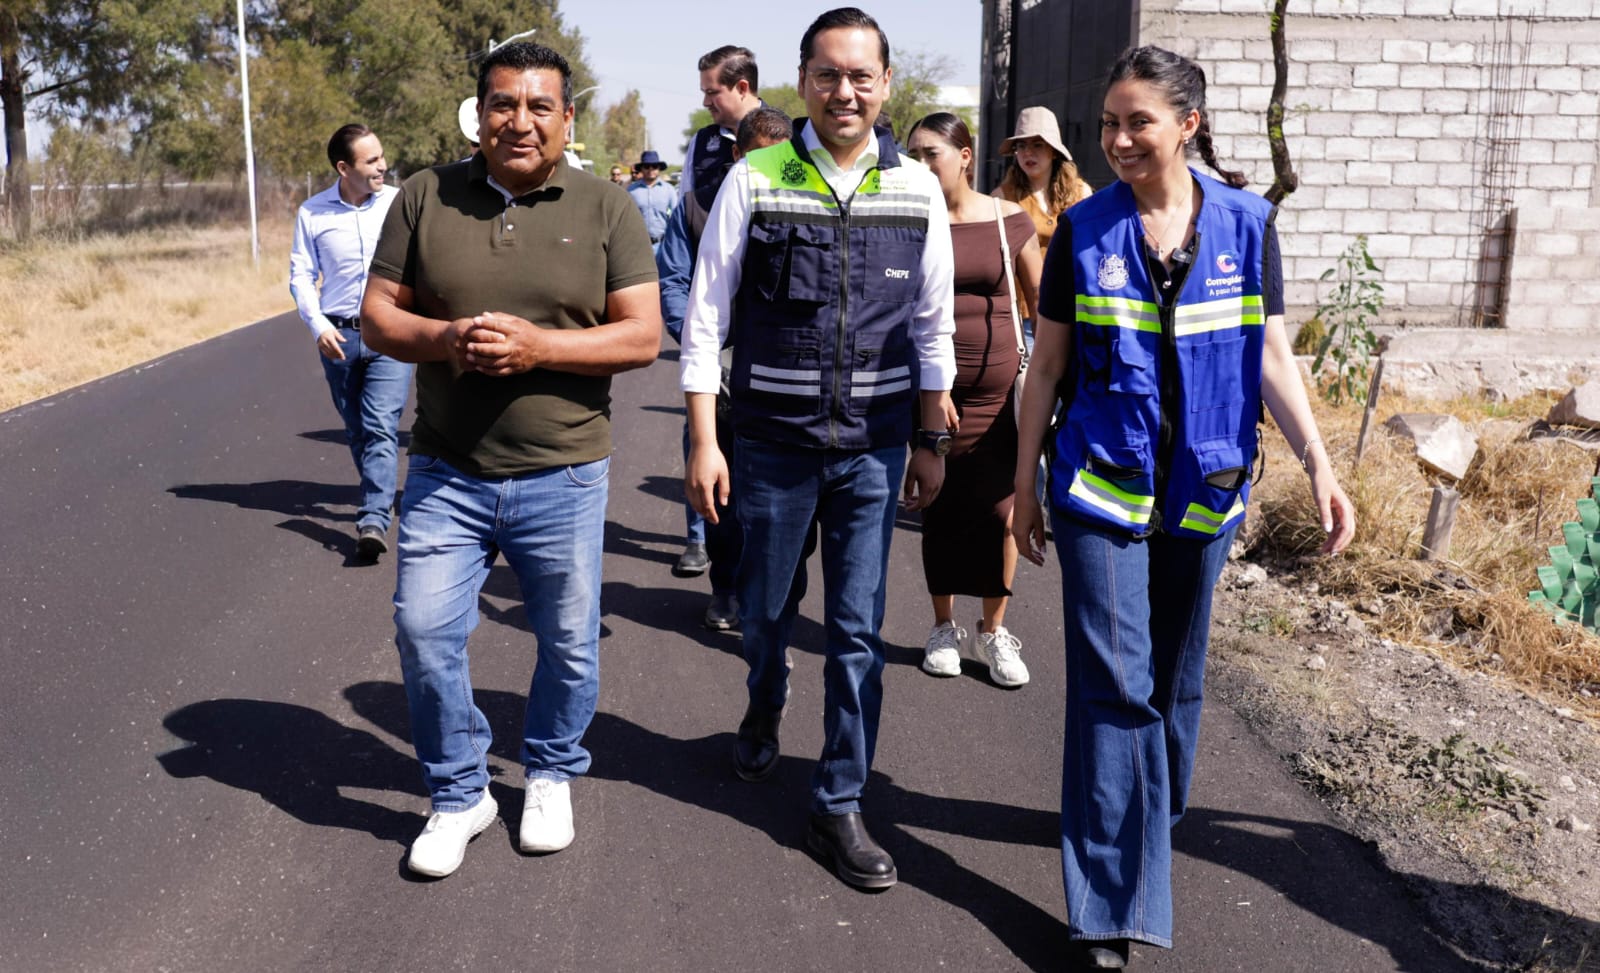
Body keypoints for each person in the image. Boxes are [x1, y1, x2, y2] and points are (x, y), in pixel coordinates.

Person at [1011, 45, 1355, 967]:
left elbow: (1273, 357)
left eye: (1138, 122)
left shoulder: (1247, 225)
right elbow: (1044, 368)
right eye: (1109, 124)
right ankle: (1114, 905)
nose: (1118, 139)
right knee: (1114, 688)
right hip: (1097, 488)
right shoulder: (1082, 232)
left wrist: (1320, 464)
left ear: (1188, 124)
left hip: (1203, 491)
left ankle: (1142, 834)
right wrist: (1020, 488)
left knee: (1174, 683)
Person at [360, 41, 661, 880]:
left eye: (538, 107)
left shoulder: (607, 207)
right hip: (446, 472)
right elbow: (377, 317)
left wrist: (539, 349)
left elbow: (642, 335)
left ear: (567, 119)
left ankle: (553, 769)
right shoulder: (424, 196)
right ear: (478, 115)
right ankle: (460, 792)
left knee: (567, 641)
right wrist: (447, 338)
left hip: (563, 473)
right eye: (502, 104)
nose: (518, 121)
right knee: (423, 628)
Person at [681, 7, 955, 892]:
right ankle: (764, 697)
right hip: (769, 444)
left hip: (873, 450)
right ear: (805, 81)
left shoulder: (915, 190)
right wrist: (702, 438)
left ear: (885, 85)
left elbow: (932, 326)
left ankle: (839, 800)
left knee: (857, 631)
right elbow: (707, 314)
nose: (846, 91)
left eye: (862, 77)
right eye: (829, 75)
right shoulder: (755, 176)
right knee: (764, 609)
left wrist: (930, 437)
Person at [905, 112, 1042, 689]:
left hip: (1000, 399)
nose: (920, 164)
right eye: (911, 153)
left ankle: (992, 630)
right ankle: (943, 627)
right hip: (932, 396)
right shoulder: (908, 222)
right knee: (938, 507)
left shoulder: (1008, 220)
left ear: (966, 155)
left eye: (931, 152)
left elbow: (1047, 307)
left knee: (1001, 512)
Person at [660, 104, 793, 627]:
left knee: (776, 501)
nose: (765, 169)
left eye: (779, 159)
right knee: (720, 488)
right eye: (756, 157)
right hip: (718, 377)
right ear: (737, 154)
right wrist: (702, 342)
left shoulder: (806, 204)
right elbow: (673, 282)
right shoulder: (694, 208)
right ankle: (726, 586)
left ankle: (768, 596)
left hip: (782, 380)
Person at [662, 44, 764, 598]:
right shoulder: (702, 145)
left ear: (742, 88)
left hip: (769, 340)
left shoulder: (788, 141)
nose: (706, 102)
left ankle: (752, 570)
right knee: (700, 435)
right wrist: (693, 333)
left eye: (712, 92)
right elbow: (684, 233)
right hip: (711, 331)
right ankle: (698, 535)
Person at [289, 124, 409, 560]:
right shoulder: (312, 213)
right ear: (344, 168)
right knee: (357, 429)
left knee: (380, 425)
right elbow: (301, 275)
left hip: (388, 334)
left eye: (382, 157)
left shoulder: (399, 203)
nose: (382, 166)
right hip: (338, 336)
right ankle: (375, 494)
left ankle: (374, 518)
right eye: (371, 161)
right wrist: (318, 324)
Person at [992, 106, 1092, 328]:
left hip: (1072, 307)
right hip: (1023, 314)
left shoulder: (1081, 192)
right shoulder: (1002, 197)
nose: (1028, 153)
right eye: (1021, 146)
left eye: (1037, 144)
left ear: (1054, 150)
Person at [628, 150, 676, 248]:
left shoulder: (669, 190)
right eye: (646, 166)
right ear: (641, 168)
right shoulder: (631, 190)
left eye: (654, 166)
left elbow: (675, 217)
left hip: (663, 245)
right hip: (638, 245)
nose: (650, 170)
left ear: (659, 169)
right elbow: (626, 218)